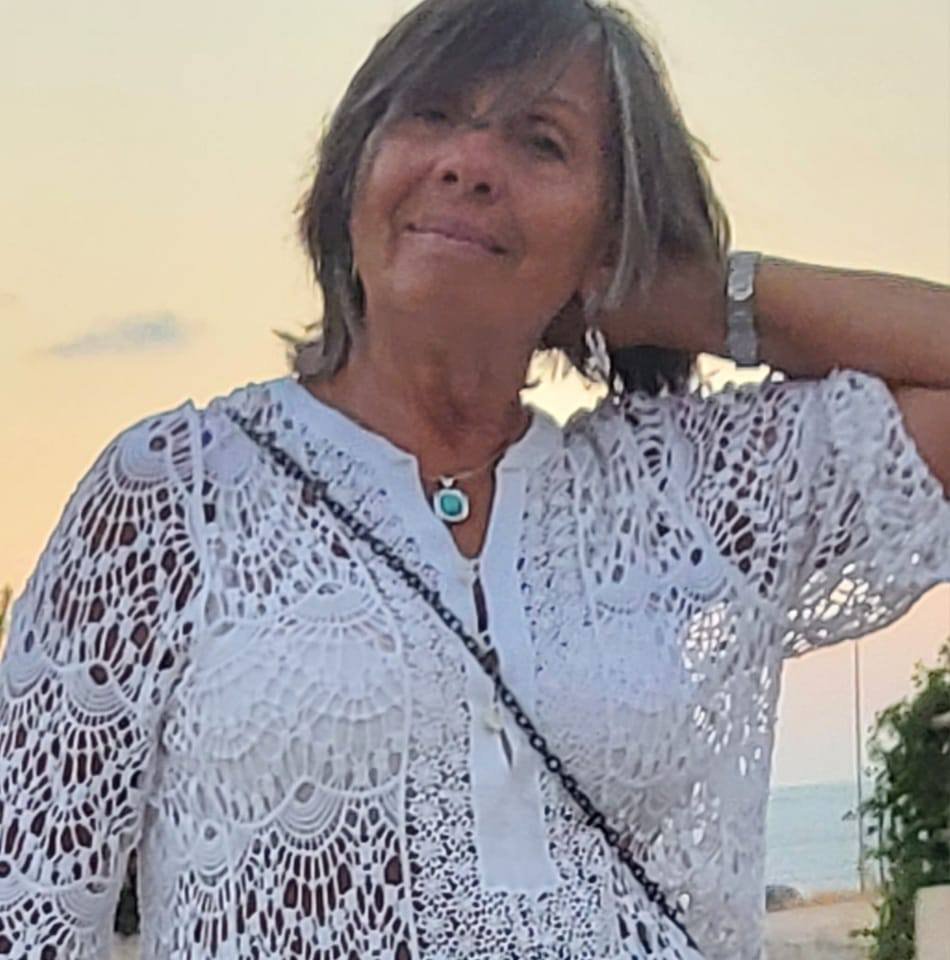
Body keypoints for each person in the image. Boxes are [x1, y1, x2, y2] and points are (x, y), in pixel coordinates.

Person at [0, 0, 947, 957]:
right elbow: (24, 910)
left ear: (612, 231)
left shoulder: (673, 494)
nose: (468, 163)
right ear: (353, 175)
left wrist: (693, 298)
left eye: (541, 142)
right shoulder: (179, 494)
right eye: (431, 114)